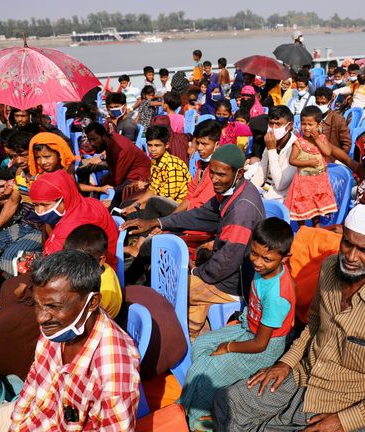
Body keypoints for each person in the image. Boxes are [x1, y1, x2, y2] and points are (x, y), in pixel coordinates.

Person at [213, 204, 365, 431]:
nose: (351, 256)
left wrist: (345, 420)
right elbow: (313, 325)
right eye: (347, 244)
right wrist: (285, 362)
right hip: (303, 374)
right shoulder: (330, 267)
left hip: (343, 402)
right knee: (229, 400)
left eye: (364, 250)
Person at [0, 250, 140, 432]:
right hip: (39, 414)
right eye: (38, 304)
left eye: (53, 306)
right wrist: (17, 425)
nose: (41, 318)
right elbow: (34, 380)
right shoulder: (59, 326)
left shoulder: (114, 369)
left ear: (92, 302)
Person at [121, 145, 264, 338]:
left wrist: (196, 271)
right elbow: (200, 215)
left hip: (233, 281)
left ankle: (163, 340)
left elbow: (227, 262)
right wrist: (158, 222)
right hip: (223, 268)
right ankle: (190, 341)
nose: (214, 179)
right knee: (175, 287)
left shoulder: (241, 211)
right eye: (211, 173)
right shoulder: (231, 190)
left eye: (220, 174)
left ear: (238, 174)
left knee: (169, 291)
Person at [180, 218, 296, 430]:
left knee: (208, 370)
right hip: (248, 328)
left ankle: (201, 420)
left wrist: (228, 347)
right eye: (254, 254)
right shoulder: (265, 271)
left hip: (264, 348)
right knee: (201, 344)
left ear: (285, 258)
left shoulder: (277, 294)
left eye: (267, 259)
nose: (258, 263)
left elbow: (261, 344)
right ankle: (215, 387)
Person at [0, 132, 45, 274]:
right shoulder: (20, 173)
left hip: (42, 230)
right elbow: (12, 203)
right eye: (14, 156)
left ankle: (19, 288)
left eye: (24, 154)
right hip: (24, 225)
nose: (20, 160)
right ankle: (15, 283)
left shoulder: (44, 175)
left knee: (9, 259)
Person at [30, 169, 119, 268]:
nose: (40, 211)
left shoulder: (71, 227)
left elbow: (52, 266)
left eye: (45, 205)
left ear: (65, 197)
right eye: (35, 205)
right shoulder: (90, 202)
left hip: (95, 274)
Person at [284, 106, 338, 224]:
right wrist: (307, 162)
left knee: (316, 204)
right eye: (304, 124)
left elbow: (328, 153)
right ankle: (302, 226)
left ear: (318, 125)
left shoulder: (322, 139)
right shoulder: (299, 143)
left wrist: (317, 139)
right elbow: (292, 160)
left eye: (310, 124)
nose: (307, 128)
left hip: (319, 181)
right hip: (303, 182)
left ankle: (316, 224)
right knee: (302, 205)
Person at [120, 125, 191, 215]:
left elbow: (166, 200)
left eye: (157, 145)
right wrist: (133, 206)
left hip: (176, 207)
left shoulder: (173, 166)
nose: (153, 149)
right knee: (125, 205)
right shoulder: (154, 161)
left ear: (167, 145)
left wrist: (137, 208)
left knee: (134, 215)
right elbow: (152, 190)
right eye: (150, 145)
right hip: (158, 201)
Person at [83, 123, 151, 206]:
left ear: (103, 136)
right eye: (90, 140)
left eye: (94, 139)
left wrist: (102, 186)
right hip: (125, 171)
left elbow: (117, 181)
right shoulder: (111, 138)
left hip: (138, 177)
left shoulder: (121, 151)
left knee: (113, 195)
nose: (92, 143)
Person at [63, 225, 122, 318]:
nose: (72, 267)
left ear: (101, 260)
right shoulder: (99, 268)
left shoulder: (103, 291)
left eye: (79, 263)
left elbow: (84, 317)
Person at [246, 105, 297, 202]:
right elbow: (261, 172)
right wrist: (250, 191)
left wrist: (272, 150)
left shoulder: (295, 147)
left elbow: (280, 185)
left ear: (289, 126)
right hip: (264, 191)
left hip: (280, 198)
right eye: (271, 123)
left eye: (278, 124)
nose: (273, 128)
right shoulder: (272, 140)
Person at [312, 87, 351, 160]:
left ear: (330, 102)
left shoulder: (338, 120)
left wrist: (339, 160)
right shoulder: (312, 118)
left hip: (332, 160)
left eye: (323, 103)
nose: (320, 105)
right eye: (318, 103)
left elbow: (346, 145)